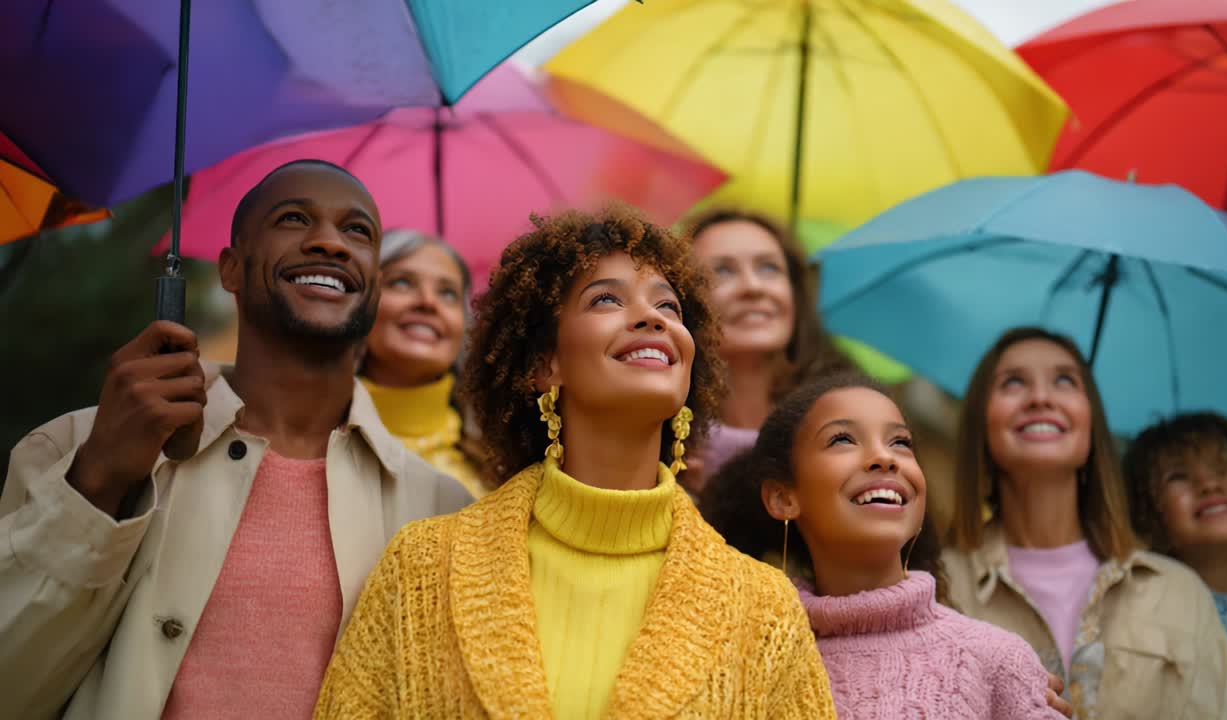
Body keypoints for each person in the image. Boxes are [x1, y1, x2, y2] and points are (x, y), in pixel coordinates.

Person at [313, 205, 836, 719]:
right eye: (606, 299)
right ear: (546, 363)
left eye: (669, 308)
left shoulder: (766, 609)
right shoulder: (421, 568)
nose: (652, 317)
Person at [0, 160, 471, 720]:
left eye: (357, 231)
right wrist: (98, 481)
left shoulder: (446, 514)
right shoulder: (72, 449)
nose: (330, 242)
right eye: (294, 218)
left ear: (371, 284)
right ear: (232, 269)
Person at [701, 372, 1068, 718]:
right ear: (783, 498)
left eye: (900, 443)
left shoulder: (1000, 660)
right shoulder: (746, 667)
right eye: (842, 439)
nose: (885, 457)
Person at [942, 326, 1227, 719]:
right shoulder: (936, 589)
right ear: (981, 423)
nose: (1041, 397)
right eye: (1013, 382)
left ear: (1091, 424)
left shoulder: (1181, 594)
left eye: (1065, 380)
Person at [1124, 412, 1227, 720]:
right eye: (1178, 476)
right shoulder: (1146, 631)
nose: (1209, 485)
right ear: (1144, 511)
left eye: (1223, 469)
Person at [684, 207, 853, 490]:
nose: (752, 287)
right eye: (722, 271)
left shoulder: (844, 424)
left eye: (769, 267)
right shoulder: (663, 439)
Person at [358, 228, 487, 496]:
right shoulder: (309, 448)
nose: (428, 302)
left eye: (448, 293)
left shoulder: (498, 469)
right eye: (402, 282)